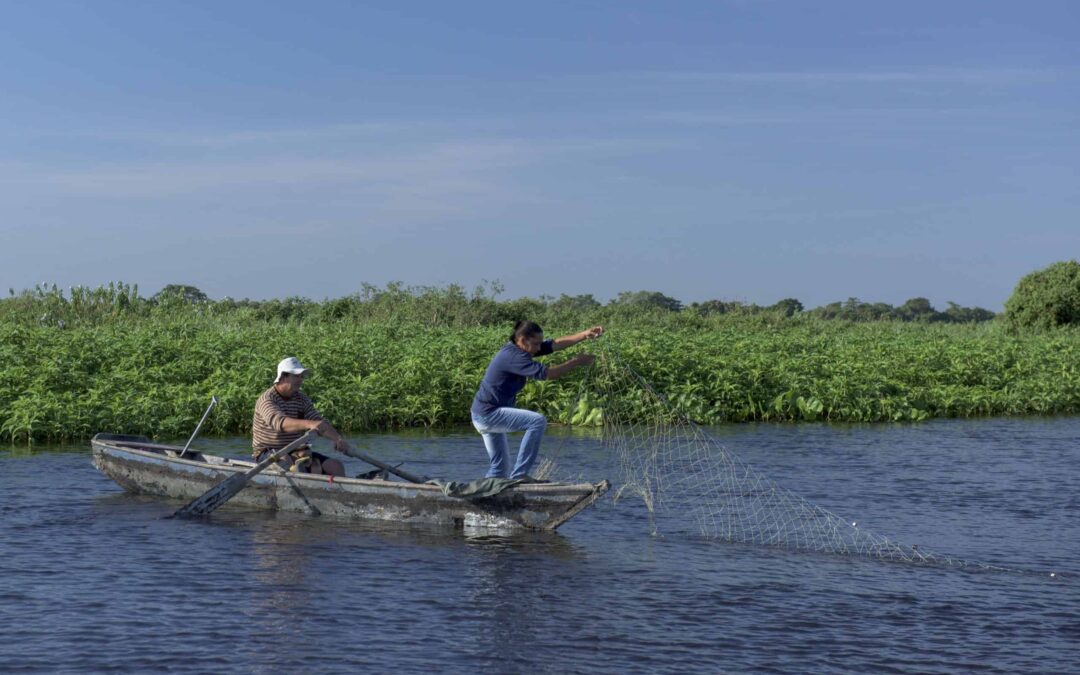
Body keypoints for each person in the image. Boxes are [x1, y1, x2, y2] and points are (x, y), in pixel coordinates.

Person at [471, 321, 604, 480]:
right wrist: (576, 361)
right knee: (537, 421)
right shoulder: (513, 357)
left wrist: (584, 334)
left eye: (540, 343)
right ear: (522, 340)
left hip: (482, 413)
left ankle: (487, 492)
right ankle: (520, 475)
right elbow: (548, 374)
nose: (539, 348)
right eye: (536, 344)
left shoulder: (520, 348)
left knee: (500, 469)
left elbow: (554, 344)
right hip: (489, 414)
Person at [251, 356, 348, 477]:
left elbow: (319, 423)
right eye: (296, 376)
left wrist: (338, 439)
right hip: (267, 453)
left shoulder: (301, 398)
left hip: (297, 451)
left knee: (336, 466)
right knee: (286, 461)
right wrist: (310, 424)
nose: (301, 379)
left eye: (302, 376)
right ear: (283, 377)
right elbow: (281, 424)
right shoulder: (267, 399)